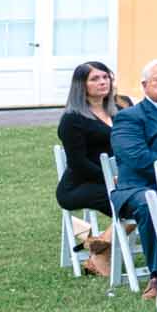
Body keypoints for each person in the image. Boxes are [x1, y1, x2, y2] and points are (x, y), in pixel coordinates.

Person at [109, 58, 157, 290]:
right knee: (151, 203)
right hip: (139, 187)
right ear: (144, 85)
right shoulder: (130, 117)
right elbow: (137, 157)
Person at [55, 60, 121, 278]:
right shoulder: (72, 120)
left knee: (143, 199)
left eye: (105, 77)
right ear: (81, 85)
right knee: (134, 205)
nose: (103, 82)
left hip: (113, 181)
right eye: (95, 78)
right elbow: (78, 163)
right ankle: (100, 251)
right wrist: (110, 179)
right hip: (79, 186)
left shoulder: (117, 111)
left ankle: (99, 246)